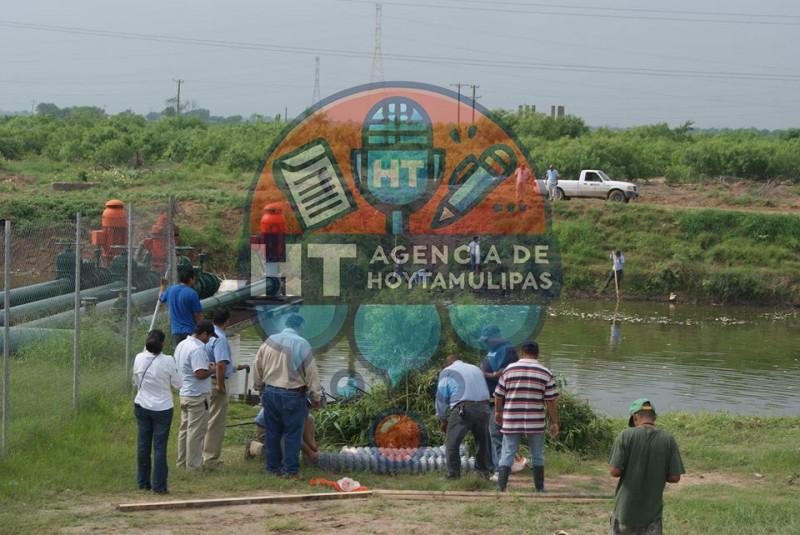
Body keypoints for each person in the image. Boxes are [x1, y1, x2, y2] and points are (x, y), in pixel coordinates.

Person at [253, 314, 322, 478]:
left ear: (286, 324)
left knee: (273, 432)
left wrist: (258, 387)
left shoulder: (270, 341)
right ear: (300, 327)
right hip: (292, 394)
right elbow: (311, 373)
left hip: (270, 393)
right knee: (292, 434)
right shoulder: (302, 343)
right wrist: (316, 397)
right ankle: (290, 471)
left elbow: (257, 364)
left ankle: (272, 469)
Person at [609, 399, 685, 534]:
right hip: (652, 515)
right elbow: (674, 477)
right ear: (654, 417)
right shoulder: (668, 439)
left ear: (635, 417)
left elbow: (614, 471)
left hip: (625, 511)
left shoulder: (625, 435)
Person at [494, 340, 559, 492]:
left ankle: (501, 487)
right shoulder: (545, 372)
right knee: (537, 454)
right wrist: (555, 422)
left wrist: (498, 412)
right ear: (537, 354)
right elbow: (551, 401)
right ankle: (540, 488)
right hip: (535, 421)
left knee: (508, 452)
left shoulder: (509, 370)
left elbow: (498, 395)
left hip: (511, 419)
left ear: (521, 353)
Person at [132, 329, 181, 494]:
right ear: (162, 344)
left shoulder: (139, 358)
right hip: (163, 408)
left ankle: (143, 482)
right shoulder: (168, 360)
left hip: (142, 405)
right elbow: (178, 384)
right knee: (159, 447)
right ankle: (159, 486)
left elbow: (135, 381)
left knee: (143, 445)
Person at [203, 308, 249, 465]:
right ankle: (210, 458)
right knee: (216, 421)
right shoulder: (220, 338)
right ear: (227, 321)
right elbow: (221, 364)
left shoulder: (207, 334)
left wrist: (236, 367)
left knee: (207, 418)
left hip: (205, 381)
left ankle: (201, 453)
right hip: (217, 381)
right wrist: (221, 385)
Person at [435, 354, 492, 479]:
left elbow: (442, 396)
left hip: (464, 408)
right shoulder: (475, 368)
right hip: (484, 408)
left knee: (452, 442)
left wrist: (443, 418)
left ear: (447, 363)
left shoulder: (448, 371)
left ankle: (453, 474)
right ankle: (483, 472)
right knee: (482, 441)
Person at [175, 320, 216, 470]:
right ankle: (193, 466)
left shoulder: (182, 345)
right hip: (197, 395)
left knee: (185, 430)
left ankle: (182, 462)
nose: (209, 339)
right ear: (204, 334)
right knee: (196, 431)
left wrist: (206, 367)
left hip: (185, 392)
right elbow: (199, 373)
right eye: (209, 336)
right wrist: (212, 370)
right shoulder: (197, 349)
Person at [478, 324, 518, 474]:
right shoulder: (492, 350)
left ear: (497, 337)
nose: (485, 343)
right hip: (489, 399)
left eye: (487, 340)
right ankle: (502, 463)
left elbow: (505, 373)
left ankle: (502, 469)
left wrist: (484, 375)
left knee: (496, 433)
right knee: (493, 433)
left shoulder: (507, 350)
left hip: (501, 400)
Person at [245, 408, 319, 464]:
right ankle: (253, 447)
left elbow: (305, 434)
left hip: (280, 428)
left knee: (309, 418)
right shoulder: (293, 406)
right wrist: (310, 452)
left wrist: (313, 449)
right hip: (265, 428)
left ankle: (308, 459)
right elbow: (294, 437)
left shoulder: (302, 403)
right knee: (281, 458)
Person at [159, 268, 204, 347]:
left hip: (175, 332)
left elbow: (161, 298)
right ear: (191, 279)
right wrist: (202, 329)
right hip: (190, 331)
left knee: (179, 355)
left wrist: (162, 286)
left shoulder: (171, 290)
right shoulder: (192, 293)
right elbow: (198, 315)